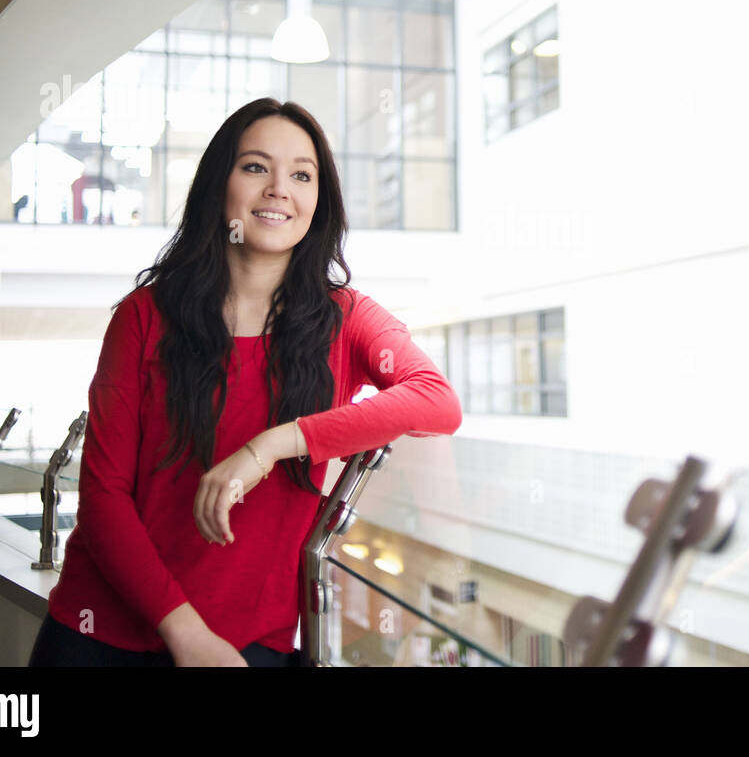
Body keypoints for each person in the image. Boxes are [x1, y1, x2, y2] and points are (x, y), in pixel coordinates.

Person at [27, 97, 463, 667]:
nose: (280, 188)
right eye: (256, 166)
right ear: (220, 187)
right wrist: (186, 634)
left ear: (317, 201)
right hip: (102, 637)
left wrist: (272, 445)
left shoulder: (346, 318)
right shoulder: (143, 316)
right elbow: (104, 498)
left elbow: (437, 400)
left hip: (251, 644)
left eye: (301, 175)